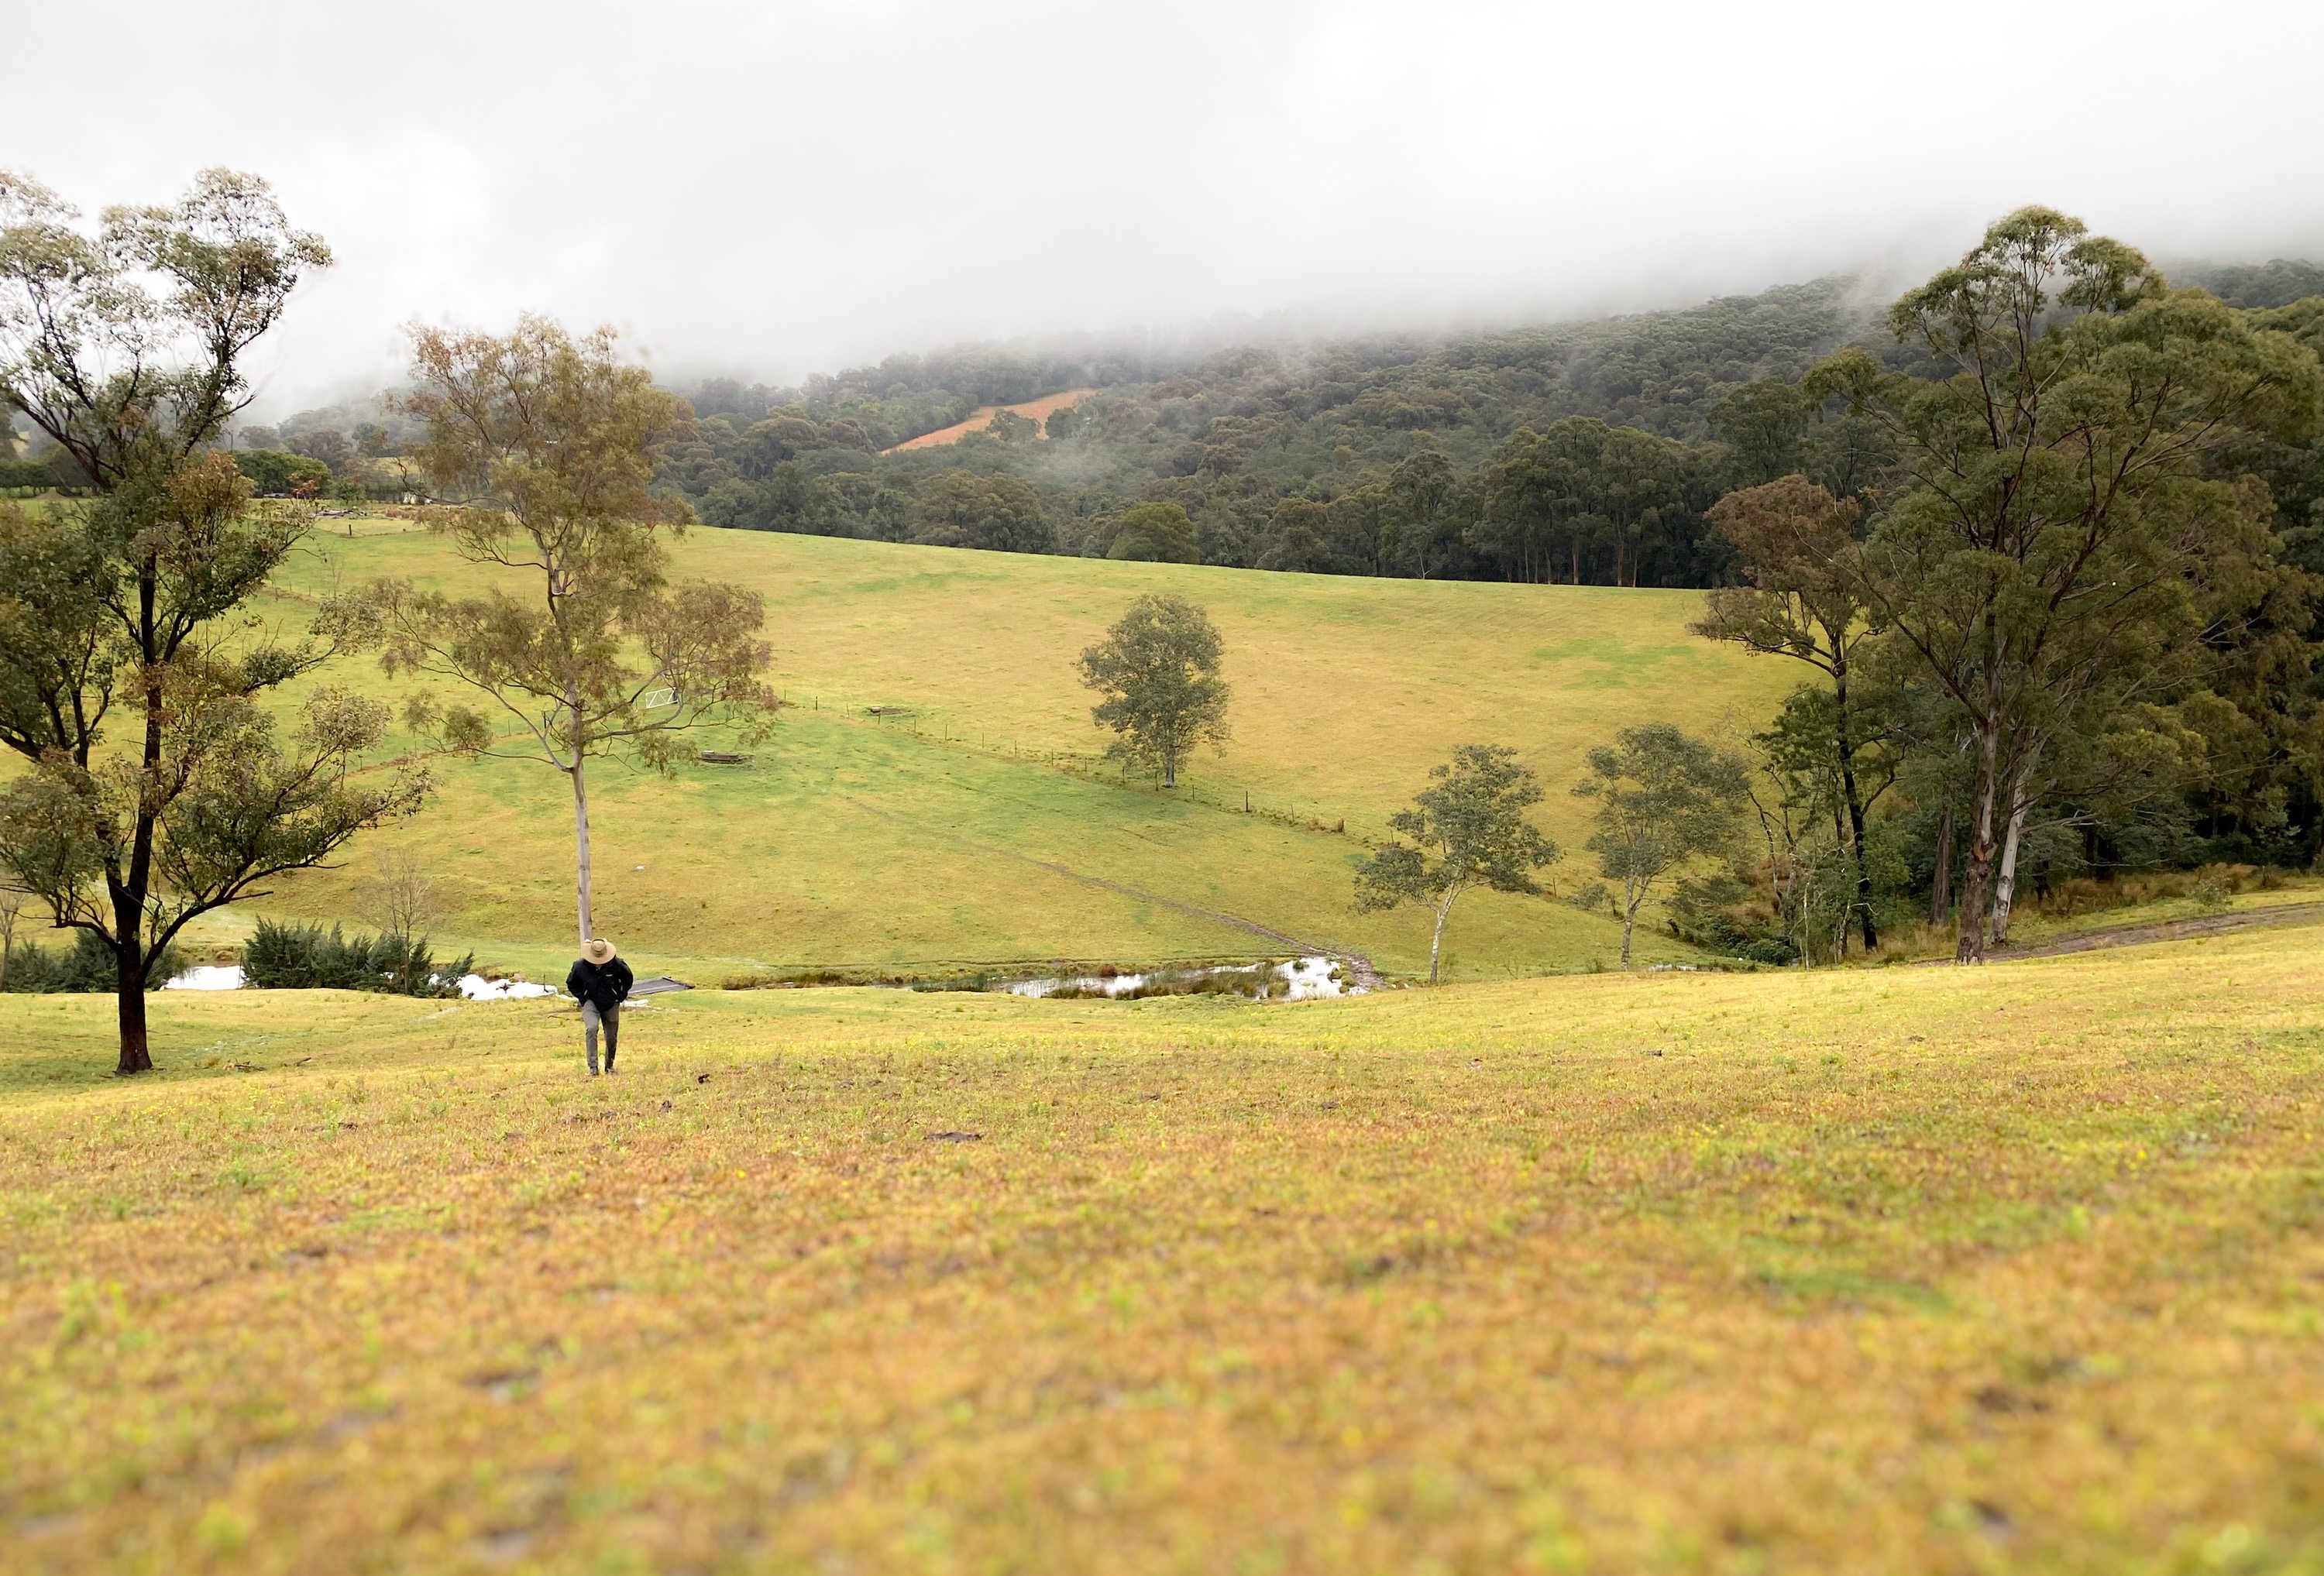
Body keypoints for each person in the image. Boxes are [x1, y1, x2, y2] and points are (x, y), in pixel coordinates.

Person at [566, 937, 634, 1076]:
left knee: (611, 1036)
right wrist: (583, 998)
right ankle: (593, 1067)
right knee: (591, 1029)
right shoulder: (579, 966)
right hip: (591, 1002)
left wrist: (620, 995)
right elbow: (571, 983)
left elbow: (628, 979)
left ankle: (609, 1066)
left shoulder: (617, 964)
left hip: (611, 1003)